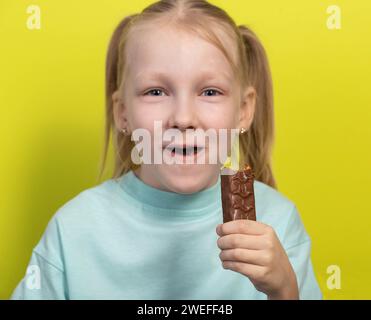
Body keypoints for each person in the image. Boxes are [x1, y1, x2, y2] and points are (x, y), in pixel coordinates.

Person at [11, 0, 322, 299]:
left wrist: (284, 292)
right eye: (155, 91)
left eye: (210, 91)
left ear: (243, 110)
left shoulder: (278, 224)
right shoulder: (73, 231)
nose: (183, 118)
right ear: (123, 113)